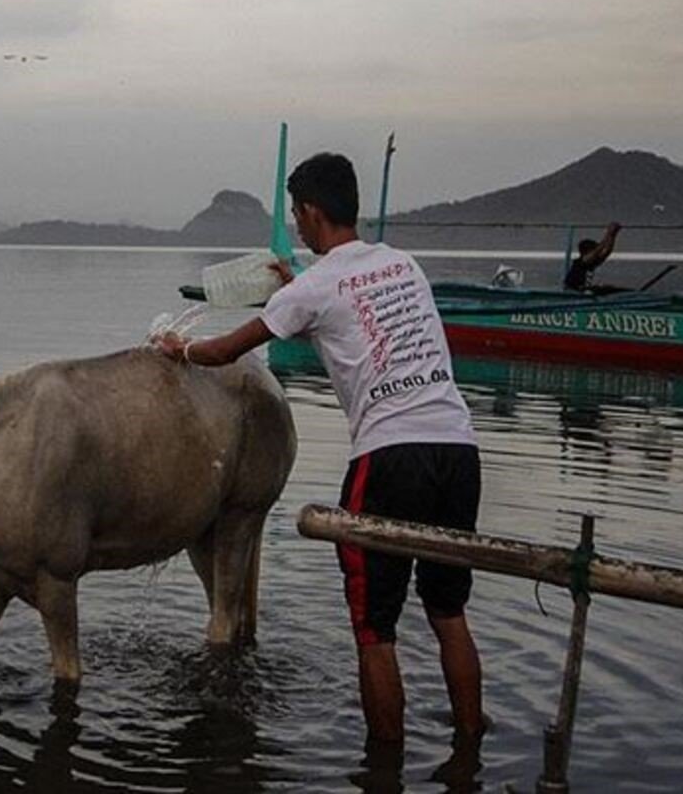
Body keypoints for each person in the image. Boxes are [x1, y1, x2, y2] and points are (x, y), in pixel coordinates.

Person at [154, 152, 483, 746]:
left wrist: (177, 349)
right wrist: (296, 284)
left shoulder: (313, 288)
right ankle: (469, 751)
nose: (297, 226)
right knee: (447, 612)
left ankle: (383, 769)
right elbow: (344, 296)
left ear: (309, 211)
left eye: (296, 215)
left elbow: (227, 350)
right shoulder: (403, 264)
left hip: (390, 456)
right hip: (458, 450)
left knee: (374, 630)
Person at [563, 222, 622, 293]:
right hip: (573, 291)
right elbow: (598, 250)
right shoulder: (580, 263)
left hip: (583, 289)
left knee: (609, 289)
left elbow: (607, 251)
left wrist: (613, 236)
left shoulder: (592, 262)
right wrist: (608, 233)